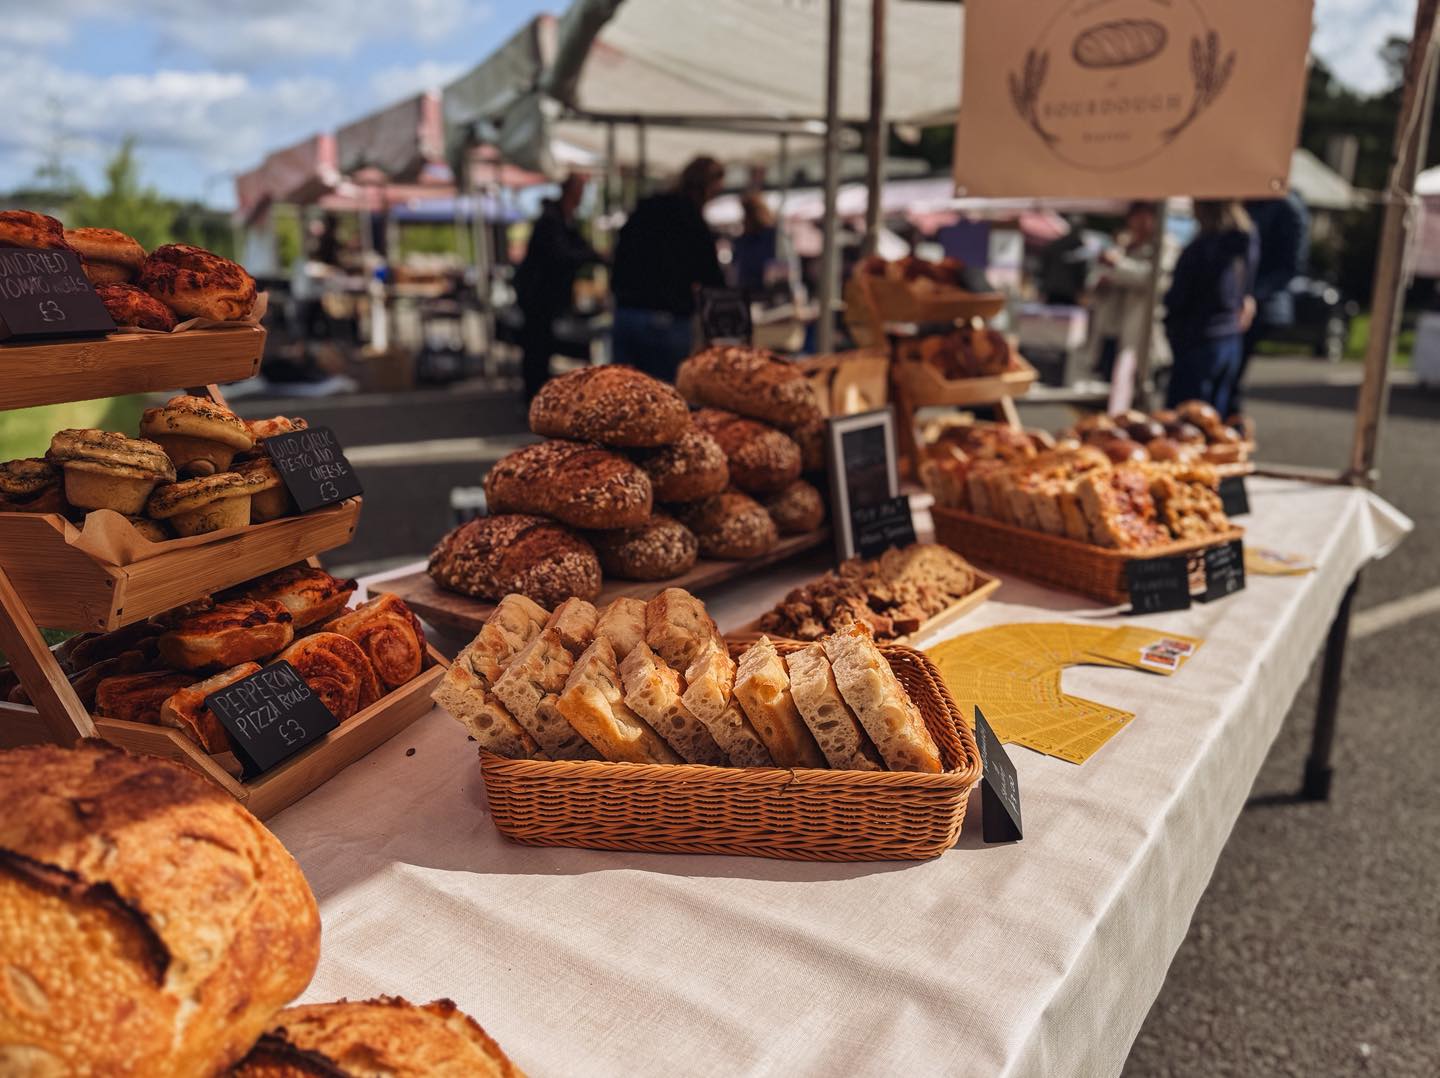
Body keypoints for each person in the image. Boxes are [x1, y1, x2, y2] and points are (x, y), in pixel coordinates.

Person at [611, 155, 726, 381]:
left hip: (626, 315)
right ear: (707, 187)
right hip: (665, 321)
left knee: (620, 394)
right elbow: (711, 277)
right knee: (662, 396)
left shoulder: (647, 207)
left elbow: (620, 253)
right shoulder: (691, 219)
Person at [1163, 200, 1258, 417]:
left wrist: (1172, 323)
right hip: (1229, 335)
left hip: (1199, 336)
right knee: (1214, 414)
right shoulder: (1245, 241)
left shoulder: (1204, 248)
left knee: (1186, 416)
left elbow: (1179, 296)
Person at [513, 173, 598, 401]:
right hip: (538, 296)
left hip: (544, 296)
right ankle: (535, 398)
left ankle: (538, 396)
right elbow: (562, 254)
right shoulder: (552, 220)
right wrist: (591, 255)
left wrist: (594, 255)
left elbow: (577, 246)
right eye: (580, 192)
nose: (581, 198)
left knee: (541, 348)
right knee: (537, 349)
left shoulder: (563, 218)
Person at [1232, 191, 1310, 411]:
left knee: (1232, 378)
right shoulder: (1251, 199)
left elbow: (1291, 266)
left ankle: (1232, 424)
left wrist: (1251, 295)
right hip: (1235, 300)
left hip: (1259, 304)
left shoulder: (1286, 205)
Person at [1084, 201, 1174, 382]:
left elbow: (1153, 279)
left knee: (1136, 384)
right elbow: (1096, 279)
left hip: (1140, 333)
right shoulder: (1124, 244)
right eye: (1136, 216)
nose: (1139, 222)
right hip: (1111, 331)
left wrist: (1117, 264)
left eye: (1144, 216)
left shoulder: (1165, 245)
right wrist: (1100, 282)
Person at [730, 192, 778, 294]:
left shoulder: (772, 236)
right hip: (746, 292)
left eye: (746, 215)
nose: (743, 220)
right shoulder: (741, 240)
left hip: (767, 292)